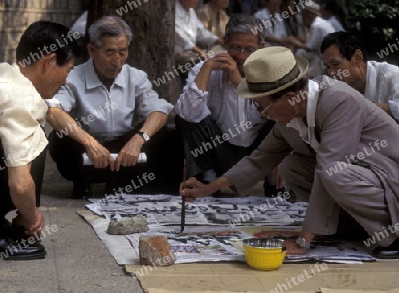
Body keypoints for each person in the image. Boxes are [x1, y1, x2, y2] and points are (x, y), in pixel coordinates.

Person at [180, 46, 399, 259]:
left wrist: (302, 241)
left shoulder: (337, 99)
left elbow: (331, 169)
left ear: (286, 97)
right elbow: (260, 159)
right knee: (291, 166)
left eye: (262, 106)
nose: (262, 114)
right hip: (370, 177)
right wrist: (208, 188)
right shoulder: (289, 118)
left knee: (334, 174)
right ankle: (351, 227)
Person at [46, 16, 180, 198]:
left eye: (122, 52)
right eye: (109, 52)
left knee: (167, 135)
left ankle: (125, 182)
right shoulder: (74, 77)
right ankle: (84, 182)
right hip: (88, 152)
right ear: (92, 50)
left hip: (126, 152)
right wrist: (90, 143)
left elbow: (160, 111)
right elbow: (53, 111)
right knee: (58, 138)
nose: (116, 60)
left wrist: (139, 139)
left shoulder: (136, 77)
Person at [175, 14, 283, 197]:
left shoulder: (271, 71)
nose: (241, 56)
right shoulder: (205, 68)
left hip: (259, 154)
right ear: (225, 44)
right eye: (235, 48)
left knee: (281, 120)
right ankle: (205, 182)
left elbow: (279, 113)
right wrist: (207, 69)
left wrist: (240, 83)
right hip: (220, 151)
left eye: (249, 49)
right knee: (186, 116)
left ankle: (275, 186)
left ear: (261, 48)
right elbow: (187, 114)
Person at [0, 20, 79, 260]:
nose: (65, 81)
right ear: (48, 62)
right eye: (67, 71)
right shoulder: (20, 97)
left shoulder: (6, 73)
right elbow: (20, 183)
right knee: (35, 144)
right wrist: (32, 217)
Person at [320, 31, 399, 159]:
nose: (332, 73)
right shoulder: (339, 87)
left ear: (357, 57)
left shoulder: (388, 73)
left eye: (335, 65)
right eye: (328, 67)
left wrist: (368, 108)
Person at [294, 1, 335, 78]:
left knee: (300, 52)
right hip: (327, 55)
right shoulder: (322, 22)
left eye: (303, 14)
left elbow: (309, 48)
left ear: (307, 13)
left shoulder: (316, 25)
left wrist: (294, 42)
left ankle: (300, 76)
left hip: (324, 58)